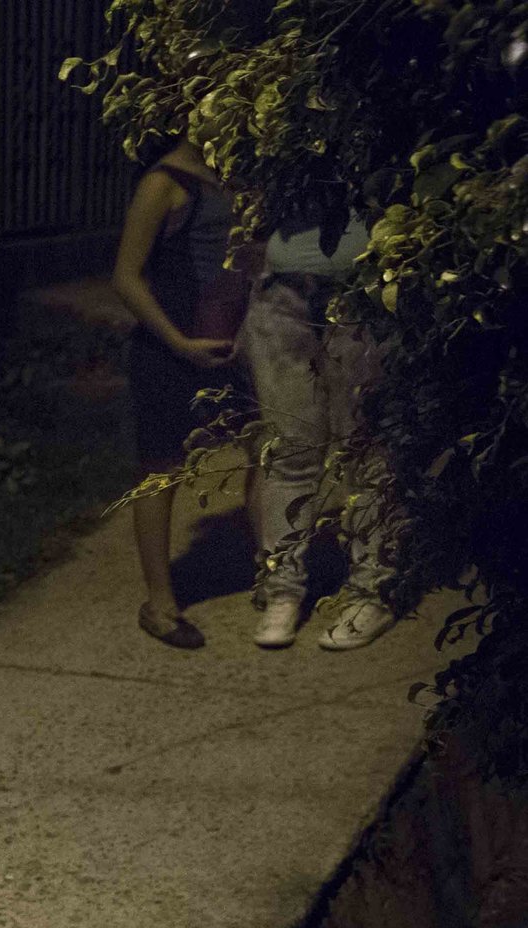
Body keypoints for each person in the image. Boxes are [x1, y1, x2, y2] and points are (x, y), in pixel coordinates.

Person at [109, 138, 254, 649]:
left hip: (226, 341)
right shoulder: (163, 182)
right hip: (169, 345)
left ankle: (267, 570)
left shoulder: (235, 175)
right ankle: (159, 604)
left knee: (262, 447)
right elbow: (125, 277)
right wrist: (177, 342)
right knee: (160, 469)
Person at [241, 213, 395, 651]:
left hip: (363, 290)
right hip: (282, 295)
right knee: (288, 451)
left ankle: (373, 592)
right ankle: (283, 590)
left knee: (364, 451)